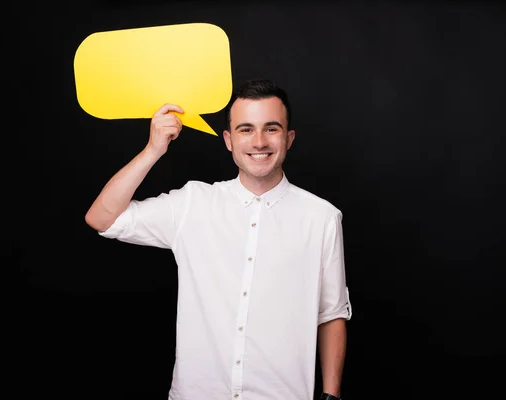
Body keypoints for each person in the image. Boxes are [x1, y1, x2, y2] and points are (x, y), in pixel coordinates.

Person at [85, 79, 352, 400]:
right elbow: (101, 217)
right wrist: (153, 148)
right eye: (245, 129)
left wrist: (331, 395)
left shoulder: (321, 217)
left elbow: (331, 313)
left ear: (289, 138)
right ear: (228, 139)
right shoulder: (192, 203)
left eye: (271, 129)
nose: (258, 141)